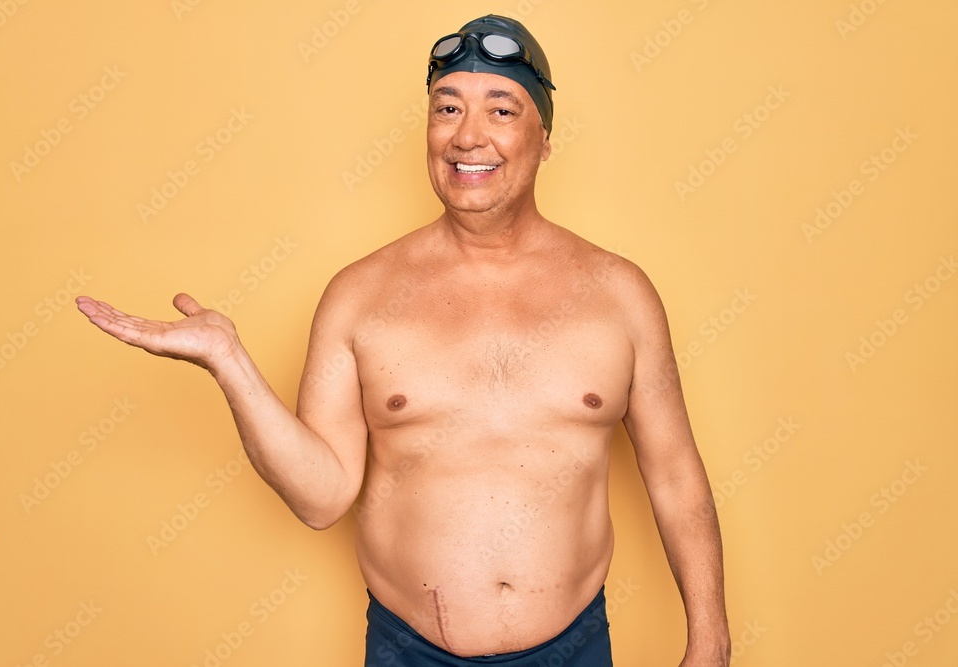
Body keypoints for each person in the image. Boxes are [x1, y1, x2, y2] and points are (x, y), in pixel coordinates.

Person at [76, 15, 730, 666]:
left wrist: (710, 637)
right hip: (409, 650)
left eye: (501, 109)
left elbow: (676, 477)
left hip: (574, 647)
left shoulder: (620, 294)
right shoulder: (359, 295)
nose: (468, 135)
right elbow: (321, 495)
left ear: (545, 137)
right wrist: (230, 363)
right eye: (447, 108)